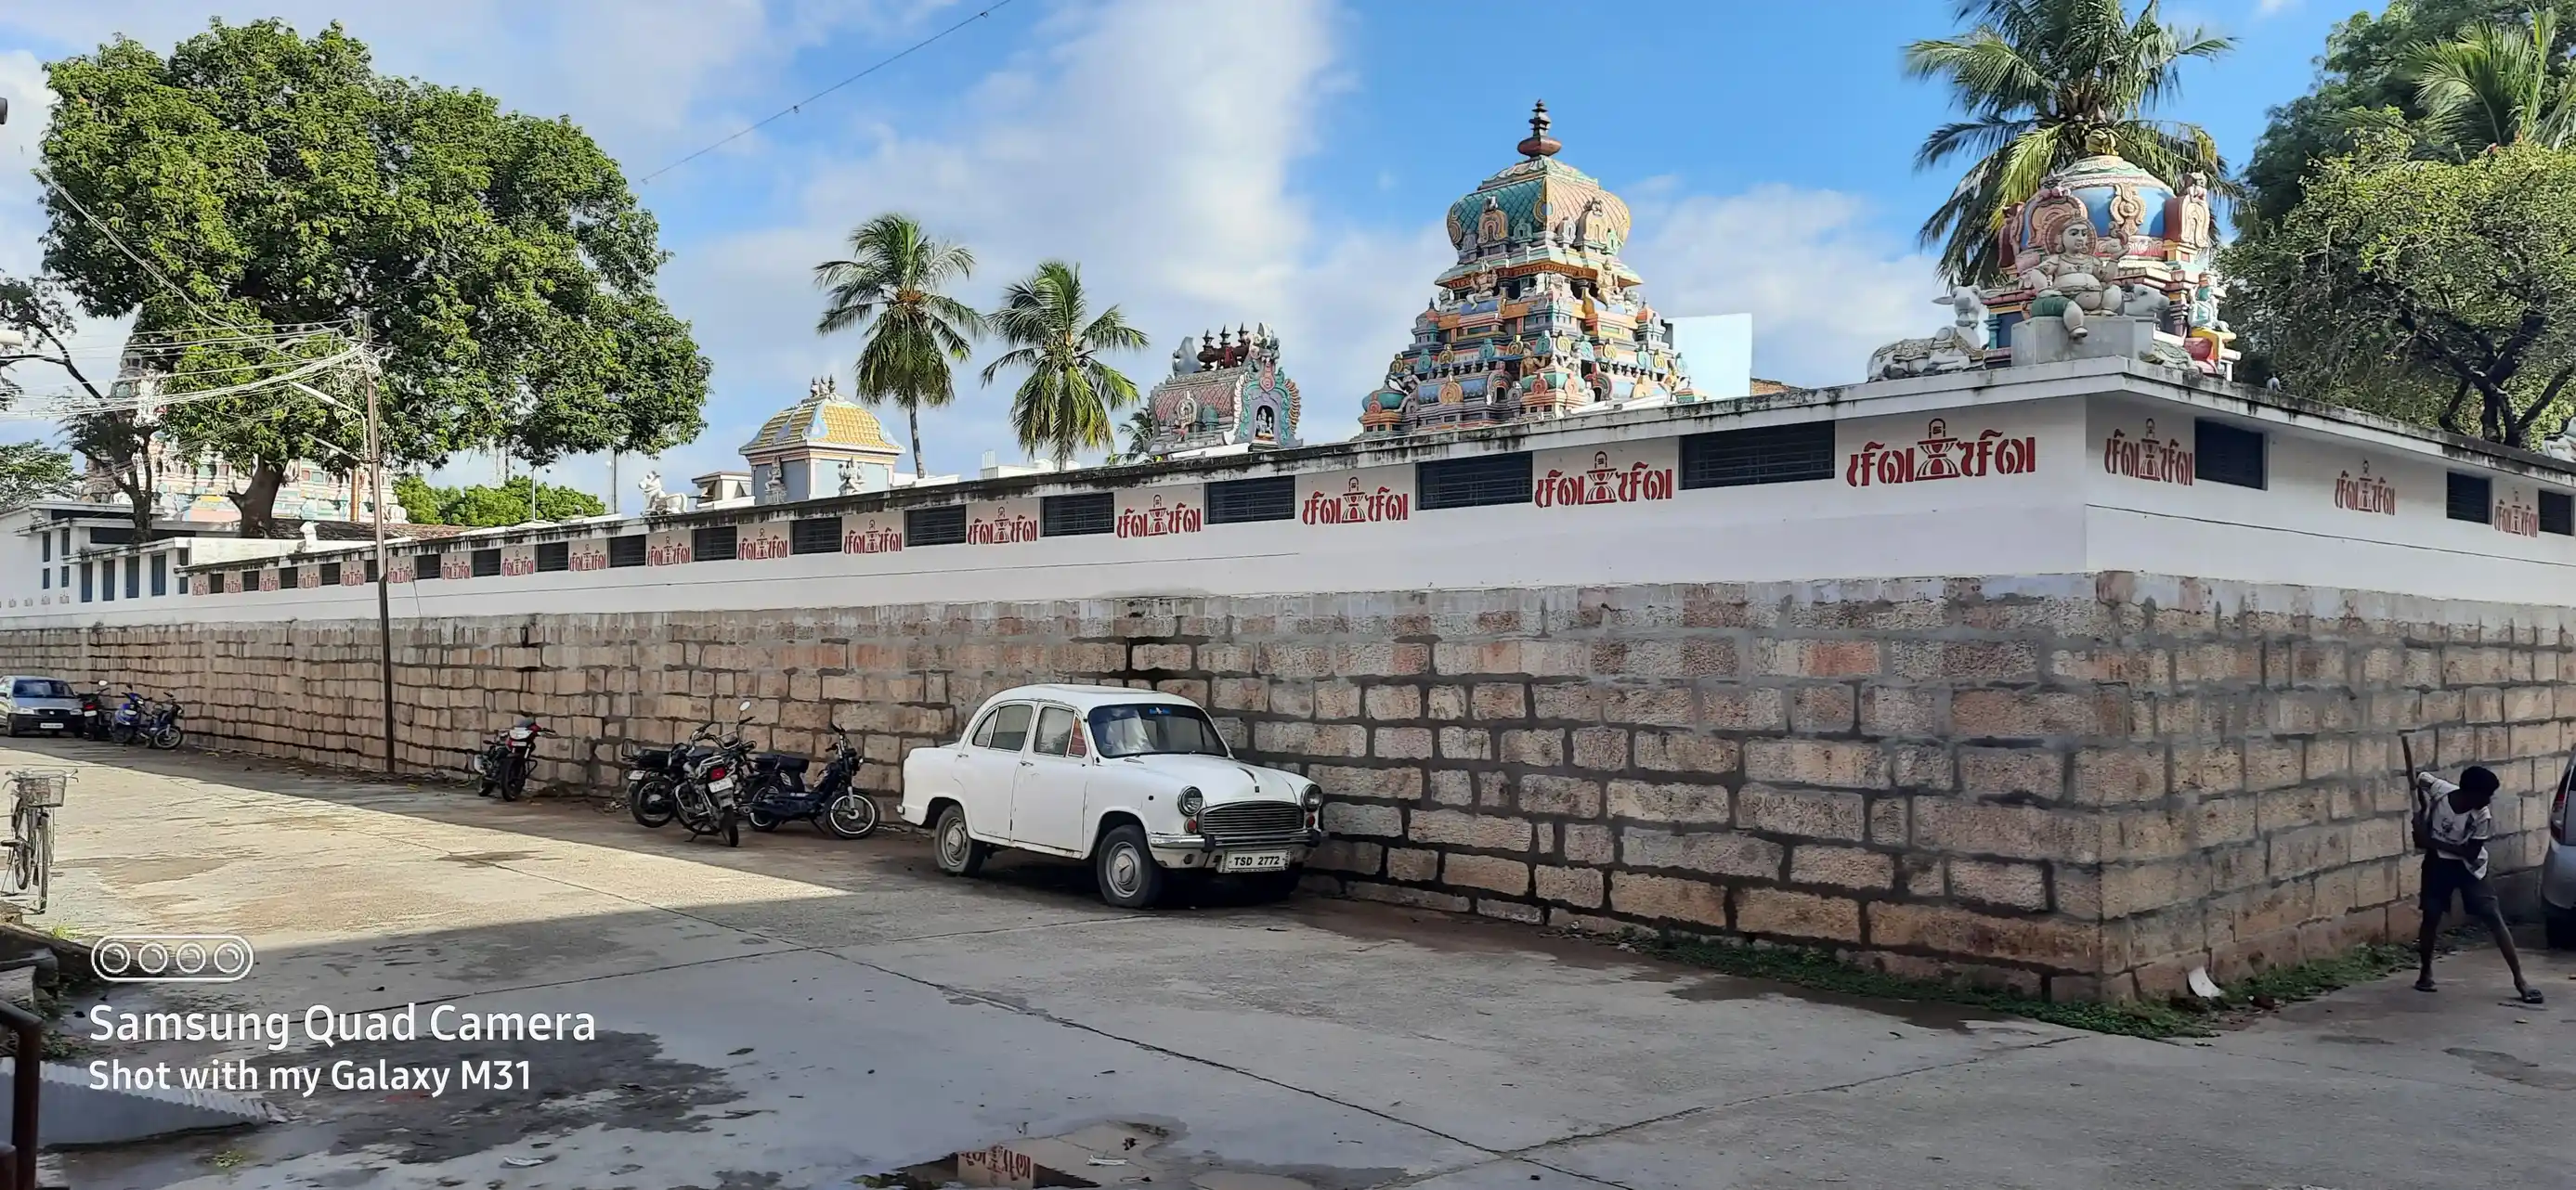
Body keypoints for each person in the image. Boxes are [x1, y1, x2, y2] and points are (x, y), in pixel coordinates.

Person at [2413, 765, 2544, 1002]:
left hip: (2469, 869)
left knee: (2493, 917)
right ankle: (2425, 973)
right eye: (2485, 795)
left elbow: (2471, 853)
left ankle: (2520, 981)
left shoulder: (2481, 817)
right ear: (2468, 792)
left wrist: (2428, 841)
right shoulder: (2441, 791)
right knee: (2431, 916)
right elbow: (2420, 779)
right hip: (2437, 866)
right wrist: (2420, 815)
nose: (2488, 801)